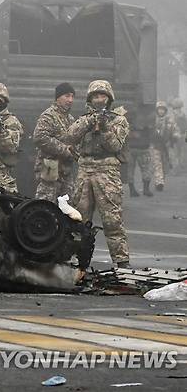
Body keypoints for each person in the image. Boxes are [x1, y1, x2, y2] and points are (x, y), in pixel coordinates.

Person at [65, 80, 131, 268]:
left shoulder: (119, 120)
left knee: (112, 219)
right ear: (90, 99)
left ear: (109, 98)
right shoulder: (84, 118)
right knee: (79, 218)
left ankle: (121, 261)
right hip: (85, 170)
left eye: (102, 96)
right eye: (95, 96)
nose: (99, 99)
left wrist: (104, 128)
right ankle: (78, 260)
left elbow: (115, 145)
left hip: (107, 170)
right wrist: (89, 122)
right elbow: (70, 136)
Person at [33, 82, 77, 203]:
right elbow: (39, 137)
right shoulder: (48, 116)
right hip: (50, 167)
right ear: (58, 97)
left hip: (65, 170)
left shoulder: (70, 119)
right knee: (46, 204)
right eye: (67, 96)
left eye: (72, 96)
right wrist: (64, 150)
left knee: (67, 206)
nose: (70, 100)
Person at [150, 101, 179, 191]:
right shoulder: (153, 120)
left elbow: (176, 131)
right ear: (157, 110)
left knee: (165, 165)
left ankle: (161, 179)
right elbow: (148, 132)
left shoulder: (170, 121)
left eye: (162, 109)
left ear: (165, 110)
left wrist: (174, 138)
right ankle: (159, 182)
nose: (161, 111)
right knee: (157, 164)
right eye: (159, 109)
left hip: (167, 146)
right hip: (155, 145)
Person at [127, 109, 154, 197]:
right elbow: (151, 132)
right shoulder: (148, 116)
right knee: (145, 169)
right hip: (142, 148)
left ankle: (132, 190)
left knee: (130, 170)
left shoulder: (127, 117)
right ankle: (145, 189)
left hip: (132, 148)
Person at [169, 97, 187, 173]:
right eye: (176, 108)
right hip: (176, 137)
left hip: (180, 136)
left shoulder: (182, 116)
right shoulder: (172, 116)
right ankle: (177, 168)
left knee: (179, 153)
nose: (177, 110)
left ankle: (178, 168)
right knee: (176, 153)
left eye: (178, 108)